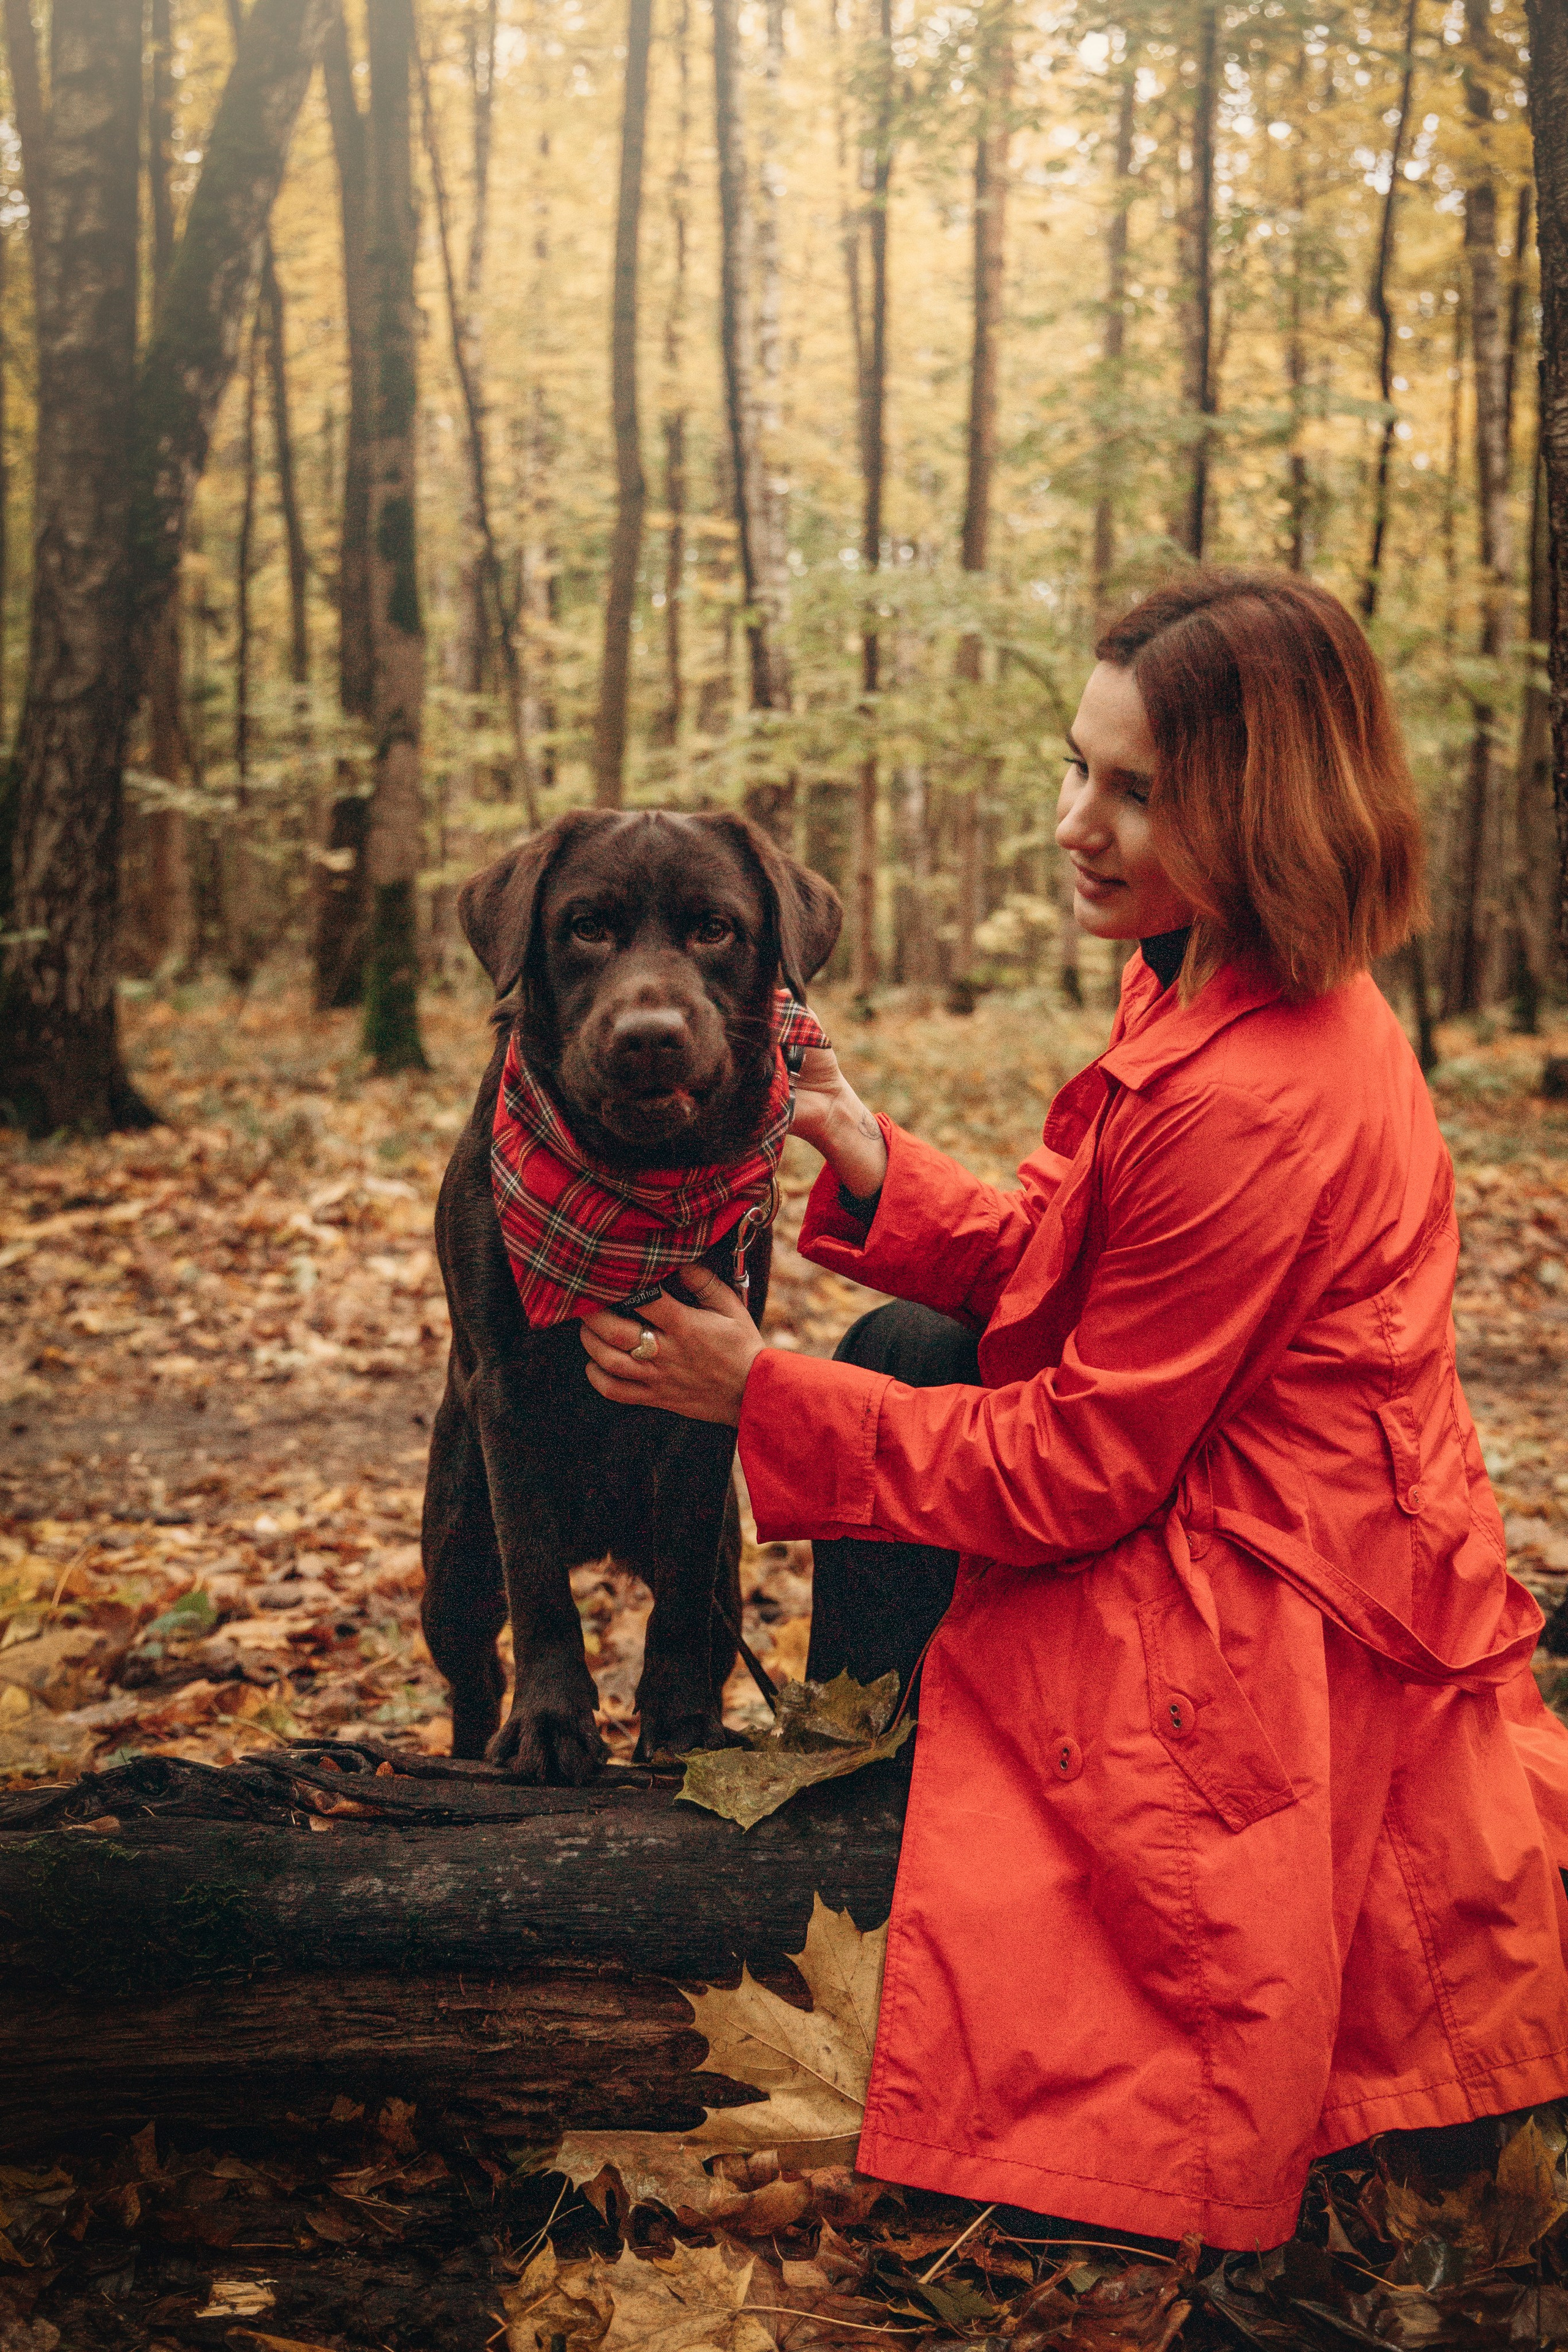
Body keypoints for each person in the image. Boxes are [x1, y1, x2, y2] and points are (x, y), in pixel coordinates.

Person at [580, 568, 1568, 2253]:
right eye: (1076, 768)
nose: (1073, 824)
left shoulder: (1267, 1090)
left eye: (1136, 792)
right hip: (1226, 1480)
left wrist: (759, 1393)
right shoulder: (1200, 966)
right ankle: (870, 1768)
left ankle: (893, 1860)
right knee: (899, 1338)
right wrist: (879, 1161)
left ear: (1262, 808)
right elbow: (1083, 1265)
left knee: (866, 1382)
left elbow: (1086, 1465)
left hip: (1264, 1572)